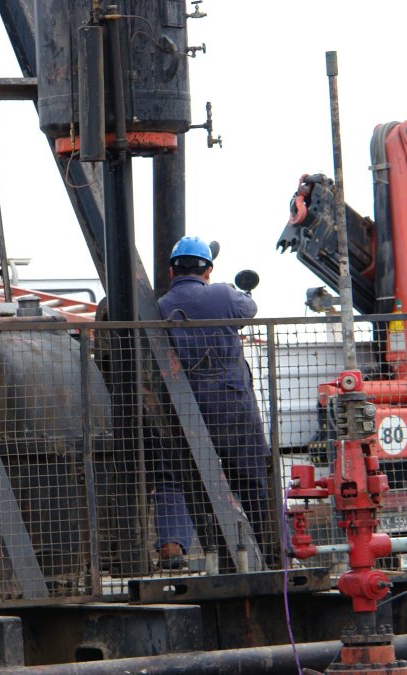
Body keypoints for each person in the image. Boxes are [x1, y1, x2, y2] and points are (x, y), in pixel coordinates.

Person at [153, 236, 273, 567]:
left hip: (184, 405)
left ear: (171, 270)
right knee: (252, 477)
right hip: (232, 405)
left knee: (174, 476)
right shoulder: (222, 294)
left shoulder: (160, 307)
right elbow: (249, 308)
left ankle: (172, 545)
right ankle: (276, 547)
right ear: (207, 269)